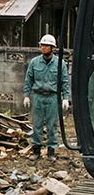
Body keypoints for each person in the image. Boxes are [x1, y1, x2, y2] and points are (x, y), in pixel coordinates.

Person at [23, 34, 70, 162]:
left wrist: (66, 98)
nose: (43, 48)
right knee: (37, 125)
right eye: (42, 45)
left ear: (53, 48)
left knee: (52, 126)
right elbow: (29, 80)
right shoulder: (34, 62)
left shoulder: (60, 64)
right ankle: (36, 151)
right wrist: (26, 96)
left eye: (46, 45)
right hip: (38, 97)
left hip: (53, 98)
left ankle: (51, 152)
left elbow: (64, 82)